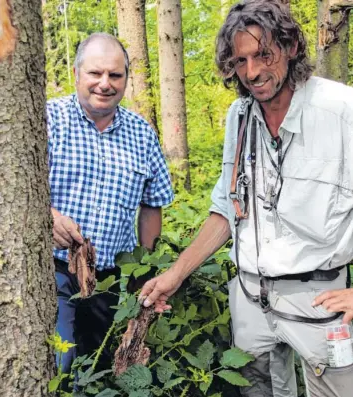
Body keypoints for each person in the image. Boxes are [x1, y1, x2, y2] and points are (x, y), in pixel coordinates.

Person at [140, 1, 353, 396]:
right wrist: (176, 274)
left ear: (290, 47)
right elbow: (226, 210)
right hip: (252, 300)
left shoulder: (341, 109)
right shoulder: (239, 116)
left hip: (322, 301)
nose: (252, 72)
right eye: (240, 60)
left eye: (263, 55)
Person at [47, 33, 173, 376]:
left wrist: (143, 270)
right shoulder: (49, 120)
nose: (105, 84)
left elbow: (153, 203)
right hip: (55, 271)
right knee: (61, 360)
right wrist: (48, 216)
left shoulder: (141, 134)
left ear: (126, 80)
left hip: (112, 279)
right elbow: (16, 191)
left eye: (115, 76)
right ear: (76, 74)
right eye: (95, 73)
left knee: (102, 364)